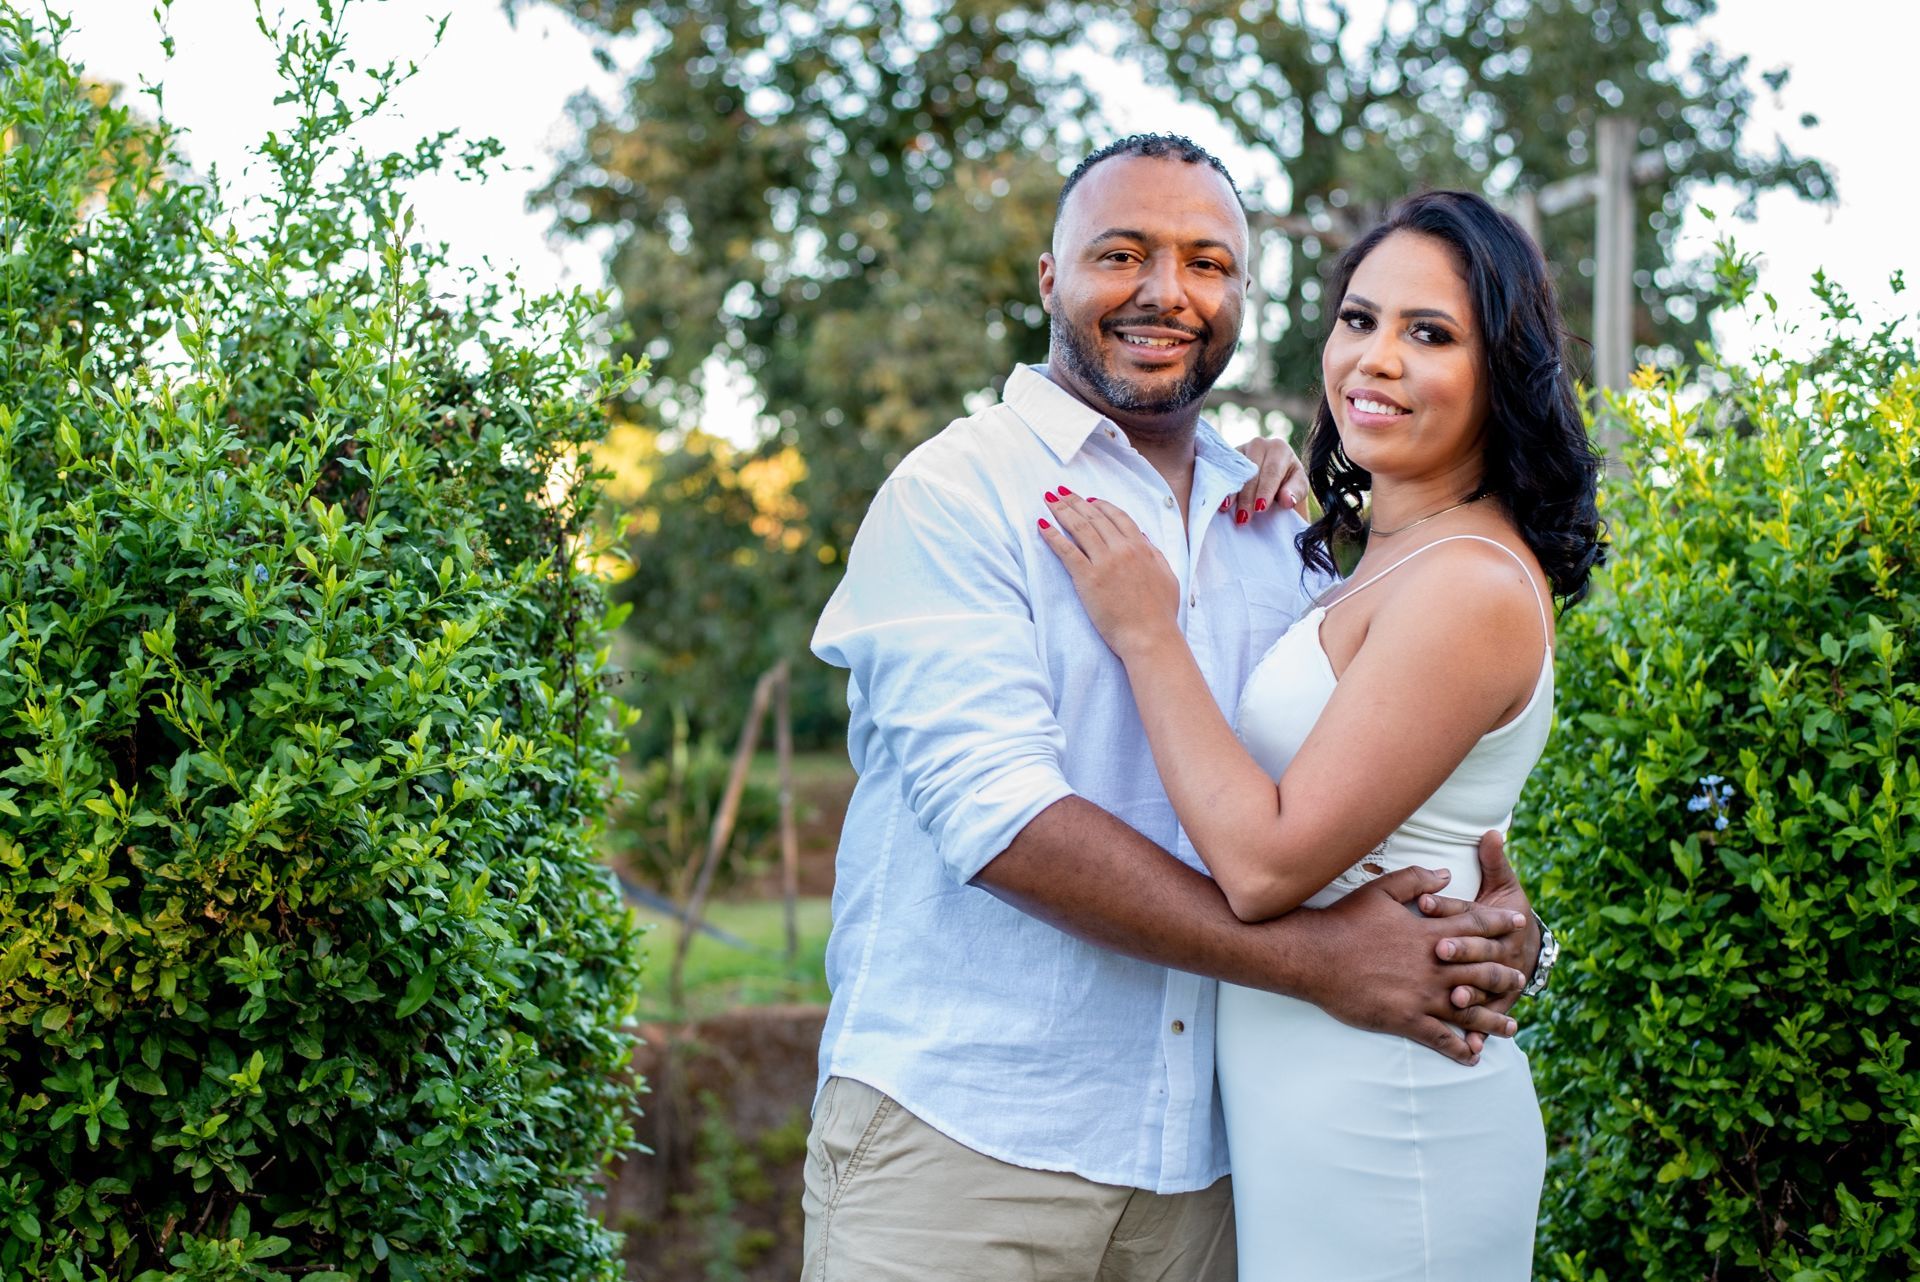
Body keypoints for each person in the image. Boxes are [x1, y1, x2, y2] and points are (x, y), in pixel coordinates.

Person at [804, 136, 1550, 1281]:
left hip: (1217, 1171)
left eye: (1208, 262)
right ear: (1051, 277)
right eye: (1122, 254)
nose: (1166, 292)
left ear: (1243, 298)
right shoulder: (959, 494)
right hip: (970, 1151)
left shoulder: (1285, 531)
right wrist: (1318, 961)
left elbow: (1388, 798)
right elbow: (1003, 825)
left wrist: (1500, 935)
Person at [1038, 188, 1604, 1277]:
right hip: (1309, 1109)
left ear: (1503, 374)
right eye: (1359, 319)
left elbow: (1260, 867)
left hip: (1394, 1121)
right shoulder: (1380, 556)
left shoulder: (1471, 585)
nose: (1375, 360)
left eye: (1429, 333)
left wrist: (1148, 631)